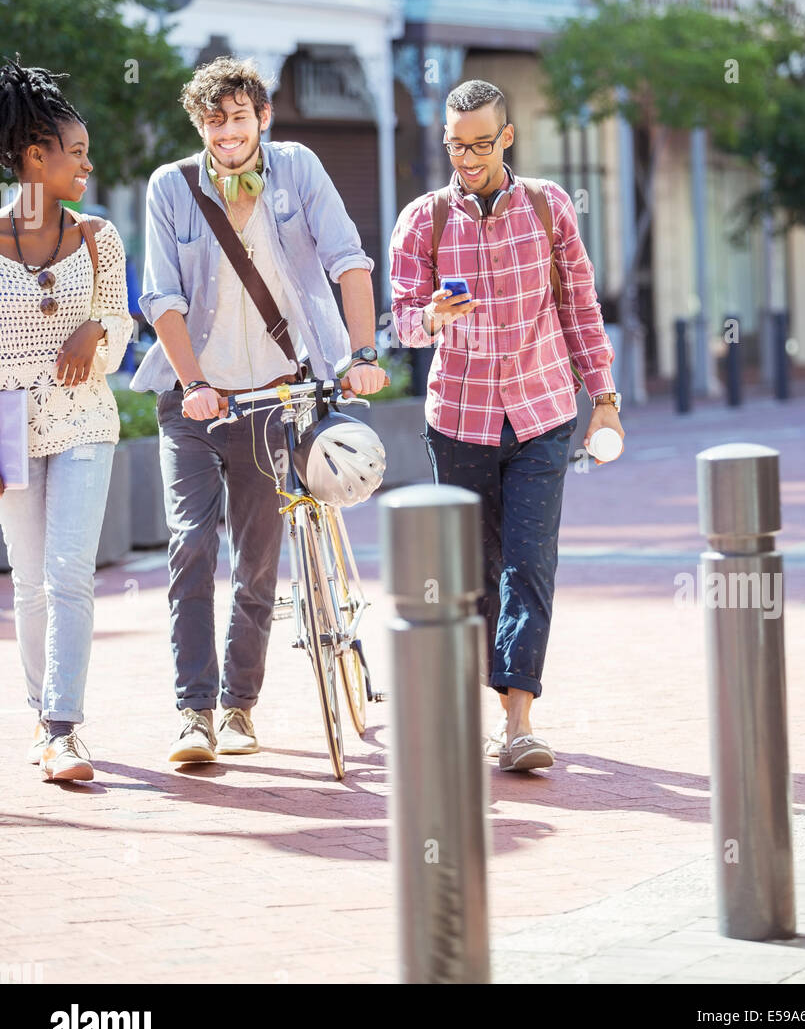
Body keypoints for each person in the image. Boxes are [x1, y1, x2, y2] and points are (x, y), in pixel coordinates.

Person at [132, 56, 387, 766]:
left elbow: (347, 258)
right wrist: (192, 383)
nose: (226, 132)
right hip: (197, 403)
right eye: (213, 120)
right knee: (191, 547)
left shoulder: (299, 169)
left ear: (261, 119)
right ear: (199, 125)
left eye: (238, 117)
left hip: (280, 393)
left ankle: (240, 706)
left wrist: (361, 352)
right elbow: (163, 298)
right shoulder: (171, 188)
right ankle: (194, 714)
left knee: (257, 561)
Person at [389, 79, 624, 772]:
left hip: (542, 412)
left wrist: (603, 397)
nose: (468, 157)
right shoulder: (422, 221)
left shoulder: (550, 209)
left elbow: (581, 307)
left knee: (530, 562)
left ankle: (518, 720)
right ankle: (484, 704)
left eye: (482, 144)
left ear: (508, 137)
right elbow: (399, 322)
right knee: (473, 573)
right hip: (458, 421)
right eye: (457, 145)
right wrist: (432, 315)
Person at [0, 60, 132, 782]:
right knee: (27, 578)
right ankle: (39, 713)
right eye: (75, 152)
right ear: (33, 158)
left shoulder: (96, 238)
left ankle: (63, 728)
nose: (87, 163)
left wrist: (95, 331)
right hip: (7, 426)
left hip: (84, 419)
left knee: (68, 571)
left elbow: (120, 318)